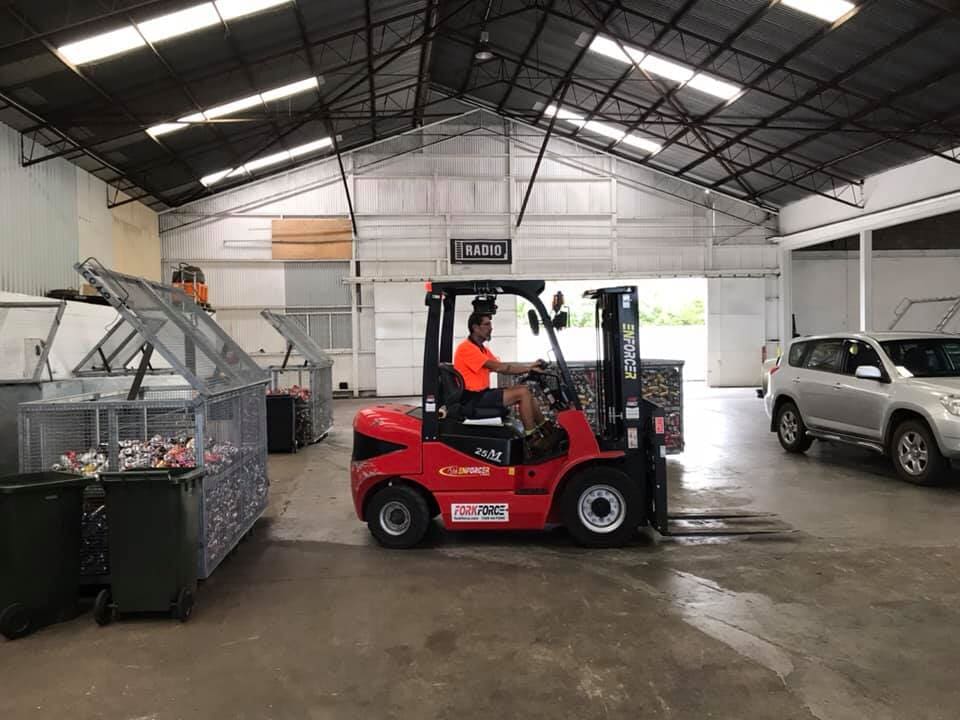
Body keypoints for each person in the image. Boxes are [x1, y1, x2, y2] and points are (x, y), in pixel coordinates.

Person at [453, 312, 557, 450]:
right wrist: (529, 368)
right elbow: (501, 368)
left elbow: (505, 366)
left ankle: (547, 429)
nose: (491, 328)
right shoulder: (467, 349)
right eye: (486, 324)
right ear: (475, 327)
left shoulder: (481, 349)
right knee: (522, 392)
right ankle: (532, 438)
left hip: (482, 395)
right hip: (473, 400)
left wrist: (530, 366)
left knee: (525, 391)